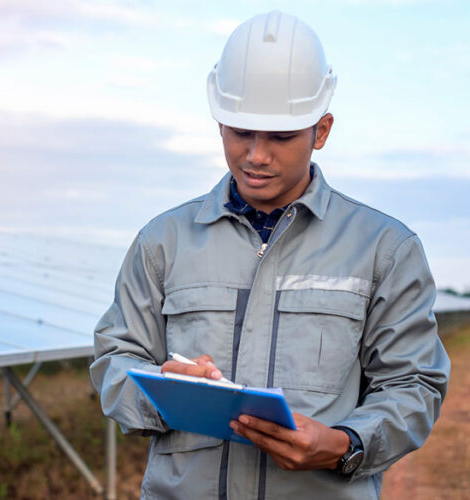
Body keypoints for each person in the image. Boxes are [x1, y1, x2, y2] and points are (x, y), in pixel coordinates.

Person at [90, 10, 450, 500]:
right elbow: (116, 359)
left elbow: (414, 385)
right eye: (240, 131)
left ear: (320, 131)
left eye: (280, 136)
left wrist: (342, 444)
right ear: (219, 122)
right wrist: (161, 389)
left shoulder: (384, 249)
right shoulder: (163, 241)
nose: (256, 155)